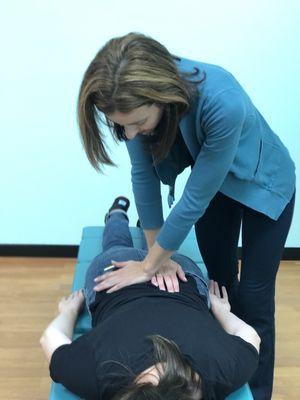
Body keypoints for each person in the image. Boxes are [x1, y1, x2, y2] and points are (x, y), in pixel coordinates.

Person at [76, 32, 296, 400]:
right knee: (220, 283)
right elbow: (143, 176)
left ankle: (258, 392)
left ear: (160, 97)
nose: (130, 134)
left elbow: (194, 198)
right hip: (219, 190)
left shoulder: (223, 102)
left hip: (265, 186)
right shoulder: (133, 96)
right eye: (120, 126)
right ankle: (226, 364)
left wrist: (148, 266)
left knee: (255, 298)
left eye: (137, 123)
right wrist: (153, 258)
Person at [40, 197, 260, 400]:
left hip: (175, 277)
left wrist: (220, 311)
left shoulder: (221, 369)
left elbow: (250, 337)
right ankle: (122, 216)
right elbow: (51, 339)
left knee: (122, 248)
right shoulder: (99, 375)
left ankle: (132, 222)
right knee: (117, 247)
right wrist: (68, 312)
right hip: (138, 278)